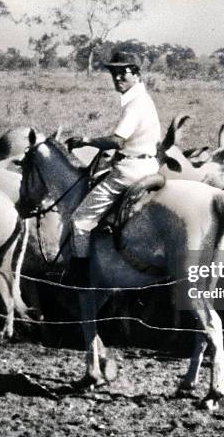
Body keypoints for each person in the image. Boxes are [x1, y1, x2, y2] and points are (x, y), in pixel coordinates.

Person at [64, 51, 162, 285]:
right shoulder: (144, 99)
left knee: (80, 219)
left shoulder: (135, 104)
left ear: (137, 74)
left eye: (123, 72)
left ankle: (79, 275)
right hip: (150, 165)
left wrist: (85, 140)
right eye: (113, 73)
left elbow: (117, 140)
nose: (117, 78)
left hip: (130, 172)